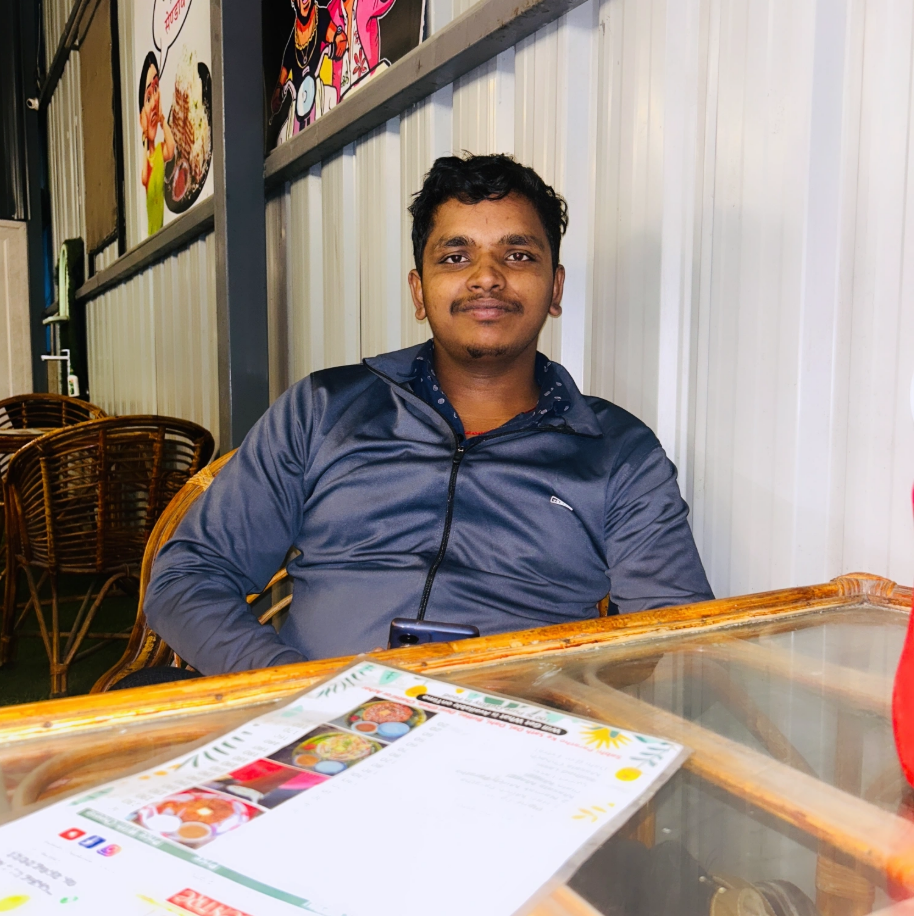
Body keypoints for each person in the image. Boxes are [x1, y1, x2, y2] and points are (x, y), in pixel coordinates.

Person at [144, 153, 714, 676]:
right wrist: (294, 693)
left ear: (555, 288)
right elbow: (187, 578)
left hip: (518, 749)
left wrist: (570, 711)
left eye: (517, 255)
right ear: (419, 293)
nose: (486, 276)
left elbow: (677, 636)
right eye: (455, 256)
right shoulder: (321, 410)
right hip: (311, 739)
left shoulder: (619, 452)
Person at [139, 52, 175, 236]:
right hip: (153, 234)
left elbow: (172, 148)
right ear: (140, 117)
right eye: (147, 97)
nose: (153, 101)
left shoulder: (161, 151)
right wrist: (146, 137)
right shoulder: (148, 159)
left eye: (156, 90)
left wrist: (162, 120)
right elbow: (145, 176)